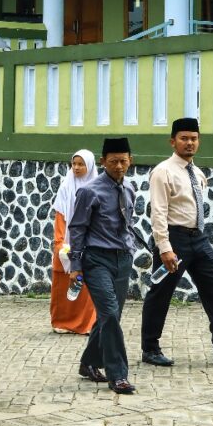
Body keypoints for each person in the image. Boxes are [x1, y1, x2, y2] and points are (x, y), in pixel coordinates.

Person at [141, 118, 213, 369]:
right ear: (173, 141)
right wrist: (165, 248)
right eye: (184, 138)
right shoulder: (163, 172)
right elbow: (158, 213)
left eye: (193, 138)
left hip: (198, 239)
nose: (189, 143)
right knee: (160, 293)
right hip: (174, 240)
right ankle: (150, 348)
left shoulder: (198, 173)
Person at [67, 137, 138, 395]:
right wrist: (76, 264)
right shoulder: (89, 191)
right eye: (113, 161)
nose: (119, 166)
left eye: (123, 160)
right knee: (108, 314)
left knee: (112, 317)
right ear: (102, 162)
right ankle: (118, 375)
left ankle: (88, 362)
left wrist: (130, 249)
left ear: (131, 160)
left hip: (123, 260)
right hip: (96, 260)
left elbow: (128, 223)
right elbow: (77, 229)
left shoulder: (129, 188)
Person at [49, 150, 98, 335]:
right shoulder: (66, 187)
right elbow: (60, 216)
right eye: (74, 164)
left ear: (90, 166)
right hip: (67, 242)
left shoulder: (97, 187)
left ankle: (85, 323)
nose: (76, 168)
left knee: (85, 286)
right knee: (62, 283)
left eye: (81, 164)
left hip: (89, 241)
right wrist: (60, 242)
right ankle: (62, 321)